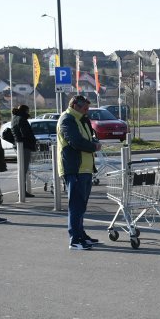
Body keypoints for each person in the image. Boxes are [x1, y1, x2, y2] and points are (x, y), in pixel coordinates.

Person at [57, 95, 103, 250]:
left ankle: (81, 234)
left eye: (88, 108)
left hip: (85, 168)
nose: (87, 111)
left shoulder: (82, 119)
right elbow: (75, 141)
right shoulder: (67, 119)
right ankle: (75, 239)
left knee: (81, 205)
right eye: (85, 108)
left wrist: (94, 142)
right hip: (74, 169)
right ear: (76, 105)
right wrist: (93, 146)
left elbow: (88, 137)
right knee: (76, 205)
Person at [11, 104, 38, 197]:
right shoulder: (22, 119)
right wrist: (33, 140)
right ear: (25, 111)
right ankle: (22, 191)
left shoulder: (15, 118)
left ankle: (22, 190)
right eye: (28, 111)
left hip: (18, 145)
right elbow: (25, 133)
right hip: (24, 146)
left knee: (22, 169)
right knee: (23, 169)